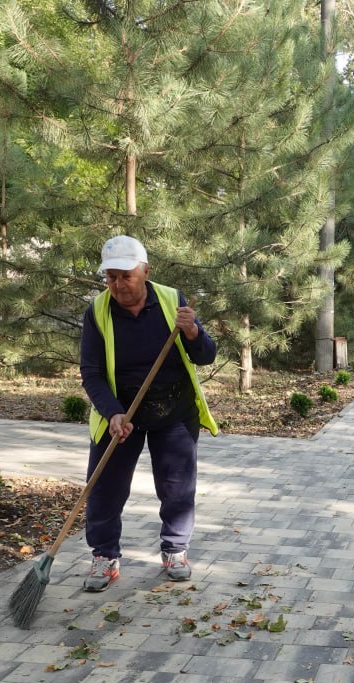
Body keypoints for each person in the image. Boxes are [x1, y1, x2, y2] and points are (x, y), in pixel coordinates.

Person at [78, 235, 219, 591]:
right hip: (121, 413)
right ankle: (104, 556)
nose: (118, 284)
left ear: (145, 272)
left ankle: (175, 550)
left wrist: (192, 331)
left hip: (173, 409)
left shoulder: (173, 301)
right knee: (105, 488)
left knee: (176, 488)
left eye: (125, 276)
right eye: (110, 277)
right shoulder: (97, 311)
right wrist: (112, 413)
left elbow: (205, 355)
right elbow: (91, 372)